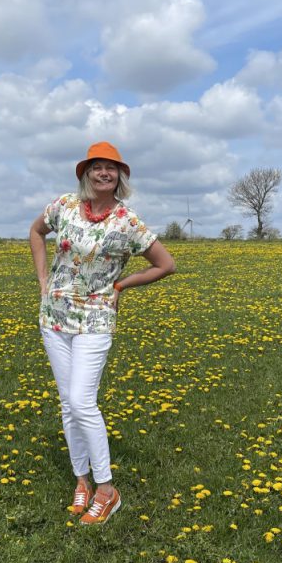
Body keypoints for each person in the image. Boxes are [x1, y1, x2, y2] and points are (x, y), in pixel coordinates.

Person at [29, 141, 176, 525]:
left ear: (120, 176)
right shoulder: (63, 206)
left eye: (112, 168)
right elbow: (35, 231)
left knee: (81, 400)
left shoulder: (127, 221)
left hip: (95, 318)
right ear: (85, 173)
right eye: (97, 167)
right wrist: (43, 279)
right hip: (55, 316)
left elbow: (165, 264)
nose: (104, 173)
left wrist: (121, 286)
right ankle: (82, 481)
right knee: (67, 402)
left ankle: (107, 489)